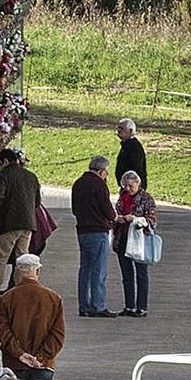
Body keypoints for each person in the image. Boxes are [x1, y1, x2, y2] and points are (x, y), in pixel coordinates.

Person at [0, 148, 41, 301]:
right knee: (22, 257)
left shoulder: (3, 175)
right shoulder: (31, 176)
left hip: (8, 223)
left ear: (4, 161)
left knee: (1, 257)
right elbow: (37, 202)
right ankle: (19, 288)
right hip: (28, 223)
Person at [71, 156, 117, 318]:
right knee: (99, 270)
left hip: (82, 230)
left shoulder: (78, 183)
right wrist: (114, 217)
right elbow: (108, 210)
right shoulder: (99, 185)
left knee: (85, 269)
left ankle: (84, 305)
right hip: (98, 230)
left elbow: (75, 209)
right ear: (102, 171)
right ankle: (98, 305)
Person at [111, 171, 157, 317]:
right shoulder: (122, 198)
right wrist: (118, 219)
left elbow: (151, 220)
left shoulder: (146, 199)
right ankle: (129, 305)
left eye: (131, 185)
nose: (129, 189)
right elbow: (115, 214)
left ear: (138, 183)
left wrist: (135, 219)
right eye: (126, 186)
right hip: (122, 238)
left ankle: (141, 307)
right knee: (126, 274)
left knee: (141, 274)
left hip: (139, 241)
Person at [114, 119, 147, 191]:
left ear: (131, 131)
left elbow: (135, 168)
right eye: (118, 128)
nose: (119, 130)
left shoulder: (134, 147)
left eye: (122, 128)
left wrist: (131, 186)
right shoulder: (126, 145)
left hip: (132, 188)